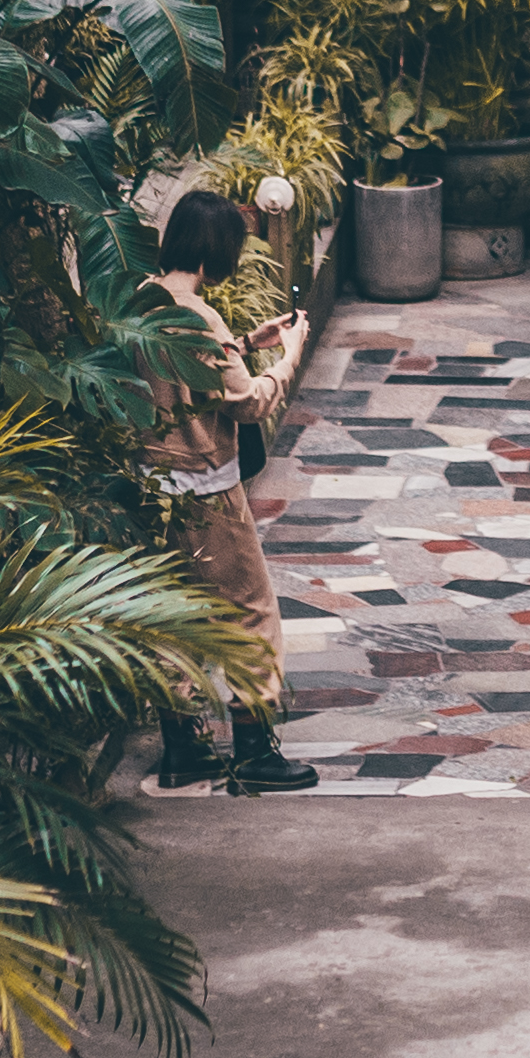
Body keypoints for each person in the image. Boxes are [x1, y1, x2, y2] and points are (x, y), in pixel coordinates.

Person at [138, 191, 318, 793]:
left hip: (148, 485)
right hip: (205, 489)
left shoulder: (141, 298)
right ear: (221, 251)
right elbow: (247, 402)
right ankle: (254, 748)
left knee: (170, 613)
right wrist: (289, 354)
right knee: (251, 611)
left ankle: (182, 747)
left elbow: (186, 376)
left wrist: (246, 342)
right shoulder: (202, 318)